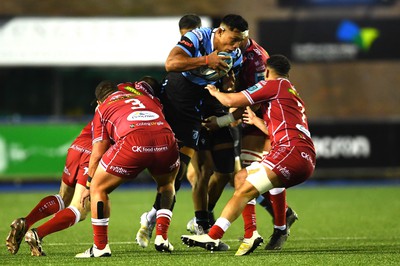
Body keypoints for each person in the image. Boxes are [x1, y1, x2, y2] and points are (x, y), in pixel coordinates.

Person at [181, 54, 316, 256]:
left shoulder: (274, 85)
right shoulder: (291, 91)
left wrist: (214, 91)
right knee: (241, 177)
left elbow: (231, 100)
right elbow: (276, 131)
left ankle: (214, 235)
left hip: (290, 152)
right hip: (299, 155)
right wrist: (255, 121)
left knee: (244, 189)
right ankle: (254, 232)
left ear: (268, 71)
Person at [135, 14, 248, 251]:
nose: (236, 45)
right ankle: (183, 226)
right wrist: (207, 59)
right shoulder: (197, 37)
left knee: (191, 172)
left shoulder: (236, 55)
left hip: (199, 106)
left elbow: (228, 81)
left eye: (240, 41)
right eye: (234, 39)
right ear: (220, 31)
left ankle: (164, 220)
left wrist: (228, 87)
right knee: (179, 172)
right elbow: (171, 64)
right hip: (176, 100)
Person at [205, 35, 298, 253]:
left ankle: (258, 229)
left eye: (237, 41)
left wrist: (221, 118)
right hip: (261, 123)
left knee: (246, 178)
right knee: (246, 179)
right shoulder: (240, 58)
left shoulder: (259, 65)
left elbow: (249, 101)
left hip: (261, 126)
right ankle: (279, 219)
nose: (233, 46)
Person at [76, 79, 180, 258]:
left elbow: (98, 151)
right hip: (165, 139)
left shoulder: (102, 108)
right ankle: (162, 237)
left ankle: (100, 247)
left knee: (98, 188)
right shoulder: (144, 97)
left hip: (133, 142)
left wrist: (88, 185)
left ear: (99, 101)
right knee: (167, 185)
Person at [5, 121, 92, 256]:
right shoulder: (127, 107)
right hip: (93, 151)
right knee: (80, 208)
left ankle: (25, 222)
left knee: (63, 197)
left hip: (76, 147)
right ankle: (37, 234)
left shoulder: (104, 105)